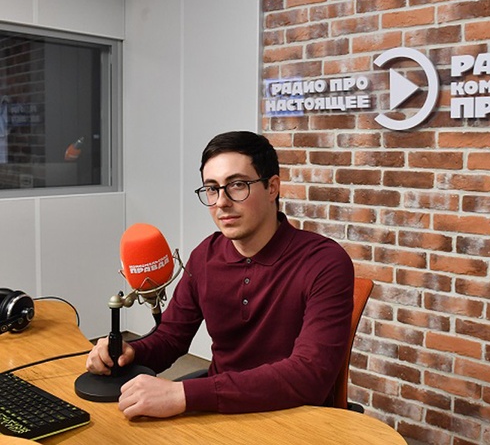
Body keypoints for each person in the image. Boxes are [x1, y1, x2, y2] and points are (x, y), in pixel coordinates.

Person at [85, 131, 354, 419]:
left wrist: (185, 394)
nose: (221, 202)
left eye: (237, 185)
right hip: (219, 412)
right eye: (212, 189)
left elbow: (309, 376)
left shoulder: (324, 261)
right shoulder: (205, 255)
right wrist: (129, 351)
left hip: (295, 418)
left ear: (272, 187)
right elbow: (170, 338)